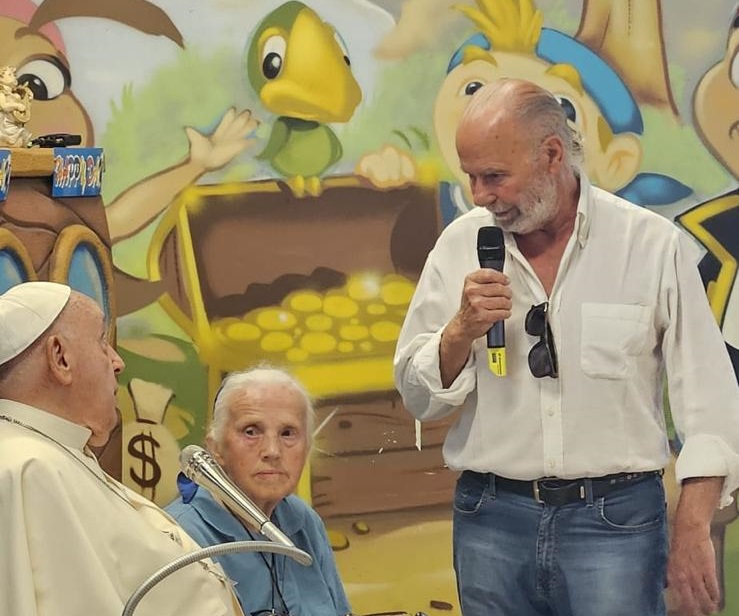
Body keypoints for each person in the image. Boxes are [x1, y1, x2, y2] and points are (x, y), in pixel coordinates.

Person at [393, 78, 739, 616]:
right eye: (470, 177)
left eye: (494, 177)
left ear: (551, 155)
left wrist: (692, 530)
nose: (479, 195)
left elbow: (712, 406)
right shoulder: (460, 244)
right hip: (490, 521)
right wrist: (460, 329)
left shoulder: (649, 246)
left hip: (617, 525)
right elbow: (418, 398)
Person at [0, 281, 243, 616]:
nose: (117, 362)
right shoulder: (30, 467)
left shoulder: (57, 452)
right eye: (102, 341)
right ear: (60, 357)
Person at [166, 366, 351, 616]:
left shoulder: (303, 520)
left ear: (307, 447)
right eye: (251, 431)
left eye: (288, 433)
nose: (272, 451)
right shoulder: (179, 535)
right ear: (216, 447)